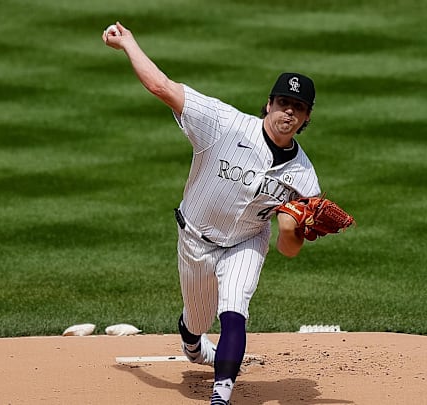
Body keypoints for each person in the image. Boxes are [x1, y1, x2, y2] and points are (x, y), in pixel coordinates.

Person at [102, 22, 321, 405]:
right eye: (284, 103)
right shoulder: (223, 123)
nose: (289, 112)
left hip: (247, 242)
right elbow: (162, 87)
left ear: (306, 119)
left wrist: (290, 229)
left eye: (298, 108)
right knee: (199, 320)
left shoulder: (304, 177)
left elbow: (290, 249)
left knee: (235, 305)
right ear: (268, 104)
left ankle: (221, 394)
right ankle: (191, 339)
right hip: (195, 240)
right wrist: (128, 44)